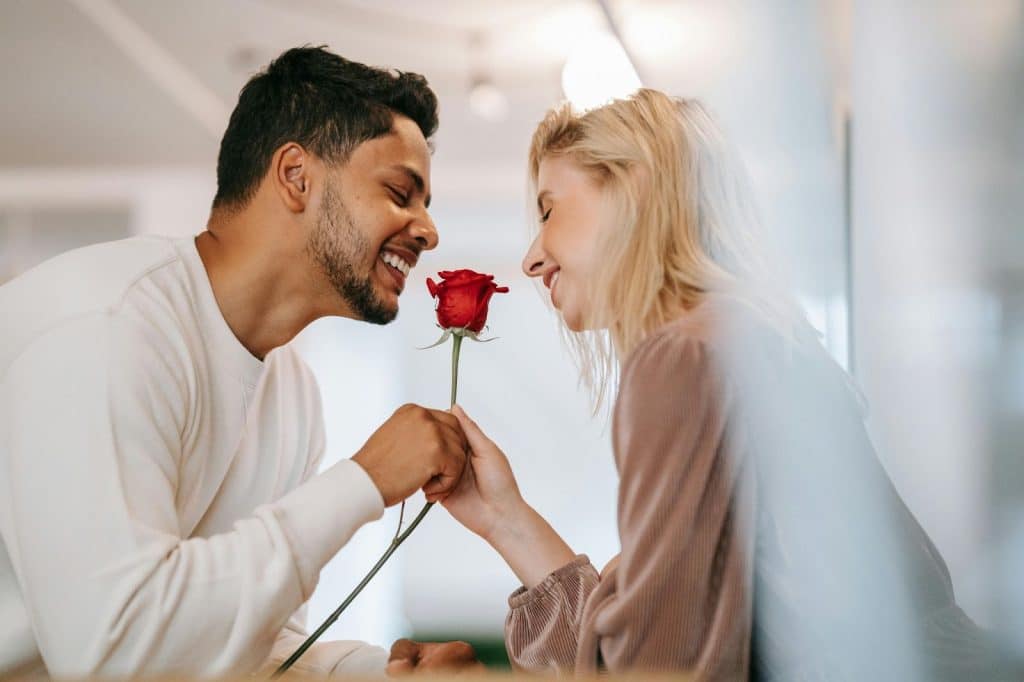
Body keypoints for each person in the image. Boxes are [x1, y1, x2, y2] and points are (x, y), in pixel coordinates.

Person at [406, 89, 996, 679]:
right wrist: (503, 517)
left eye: (549, 209)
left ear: (632, 186)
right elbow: (678, 626)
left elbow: (663, 666)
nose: (532, 259)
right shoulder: (755, 340)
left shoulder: (682, 356)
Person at [0, 46, 479, 677]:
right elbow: (112, 656)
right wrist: (364, 480)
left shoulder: (294, 394)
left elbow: (245, 650)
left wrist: (377, 674)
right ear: (296, 175)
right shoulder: (107, 324)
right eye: (399, 192)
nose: (427, 230)